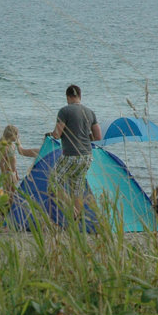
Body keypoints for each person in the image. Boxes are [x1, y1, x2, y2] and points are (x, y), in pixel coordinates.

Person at [50, 84, 101, 218]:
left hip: (71, 155)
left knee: (53, 182)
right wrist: (83, 136)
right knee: (76, 189)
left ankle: (74, 211)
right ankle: (76, 220)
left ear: (68, 97)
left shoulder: (64, 111)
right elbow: (98, 136)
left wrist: (51, 134)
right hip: (87, 156)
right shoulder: (90, 112)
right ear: (79, 96)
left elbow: (57, 134)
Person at [0, 125, 37, 194]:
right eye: (17, 134)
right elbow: (1, 164)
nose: (18, 136)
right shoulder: (6, 147)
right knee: (8, 193)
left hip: (13, 172)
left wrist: (16, 173)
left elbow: (14, 162)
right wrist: (4, 175)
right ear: (11, 135)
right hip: (8, 173)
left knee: (13, 193)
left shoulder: (12, 145)